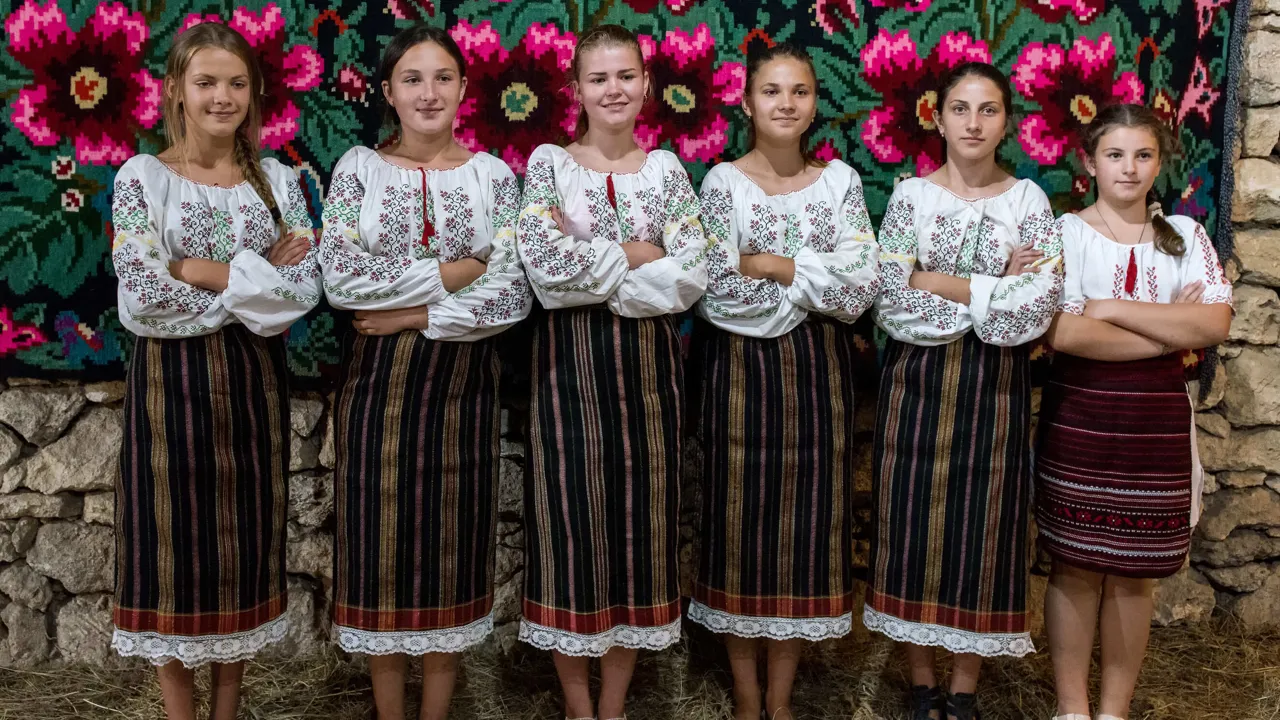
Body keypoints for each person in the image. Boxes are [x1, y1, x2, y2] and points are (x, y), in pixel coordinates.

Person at [317, 25, 531, 720]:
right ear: (387, 92)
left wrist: (410, 314)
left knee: (450, 550)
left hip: (461, 394)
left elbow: (510, 294)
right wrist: (455, 271)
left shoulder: (493, 178)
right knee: (379, 551)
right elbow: (345, 279)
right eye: (412, 78)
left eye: (443, 77)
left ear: (465, 89)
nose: (428, 92)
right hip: (377, 394)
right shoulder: (358, 170)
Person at [110, 21, 321, 720]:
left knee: (241, 550)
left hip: (252, 388)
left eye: (235, 83)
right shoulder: (144, 180)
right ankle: (179, 712)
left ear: (254, 91)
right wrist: (251, 285)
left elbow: (300, 295)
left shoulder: (280, 183)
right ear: (175, 90)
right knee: (172, 550)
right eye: (205, 82)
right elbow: (142, 298)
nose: (221, 96)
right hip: (168, 390)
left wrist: (194, 269)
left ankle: (228, 709)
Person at [514, 23, 708, 720]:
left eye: (626, 75)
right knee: (571, 531)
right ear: (576, 91)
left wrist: (597, 255)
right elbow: (547, 274)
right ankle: (576, 705)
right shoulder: (548, 167)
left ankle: (615, 705)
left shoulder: (667, 173)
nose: (614, 89)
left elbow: (692, 278)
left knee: (639, 533)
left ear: (647, 84)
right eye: (598, 78)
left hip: (652, 381)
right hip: (568, 374)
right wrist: (642, 251)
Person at [866, 61, 1064, 720]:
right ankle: (921, 684)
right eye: (960, 108)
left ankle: (962, 693)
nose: (973, 123)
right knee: (911, 527)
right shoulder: (911, 199)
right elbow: (890, 305)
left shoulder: (1027, 202)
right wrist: (992, 289)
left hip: (994, 394)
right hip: (914, 388)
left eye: (988, 110)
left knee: (985, 531)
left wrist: (937, 280)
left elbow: (1032, 314)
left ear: (1007, 120)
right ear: (939, 116)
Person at [690, 43, 879, 720]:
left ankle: (781, 697)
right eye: (771, 91)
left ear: (813, 104)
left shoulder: (839, 185)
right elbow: (713, 290)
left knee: (807, 526)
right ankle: (746, 698)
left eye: (799, 91)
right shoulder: (722, 184)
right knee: (738, 526)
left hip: (817, 375)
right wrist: (810, 277)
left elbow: (860, 288)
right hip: (738, 375)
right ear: (747, 103)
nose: (786, 103)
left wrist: (771, 264)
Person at [1037, 103, 1232, 720]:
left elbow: (1215, 321)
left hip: (1157, 426)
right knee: (1074, 566)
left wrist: (1106, 306)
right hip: (1081, 417)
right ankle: (1072, 707)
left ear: (1159, 164)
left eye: (1142, 155)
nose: (1128, 167)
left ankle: (1113, 711)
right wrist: (1173, 333)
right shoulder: (1063, 233)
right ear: (1089, 162)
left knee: (1134, 573)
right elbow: (1064, 337)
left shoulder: (1185, 234)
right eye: (1115, 155)